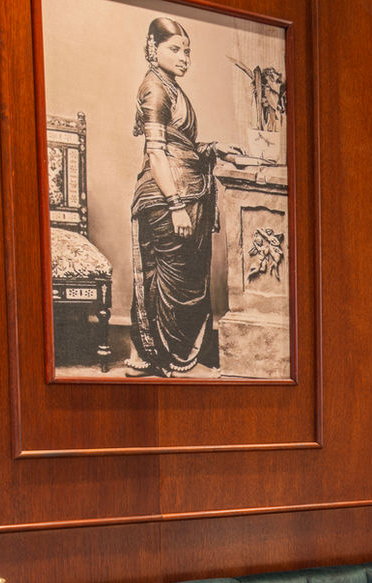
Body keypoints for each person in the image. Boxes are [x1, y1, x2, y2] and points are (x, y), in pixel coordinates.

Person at [126, 18, 243, 378]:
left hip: (176, 190)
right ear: (153, 48)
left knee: (158, 276)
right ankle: (178, 364)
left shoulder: (169, 86)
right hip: (167, 196)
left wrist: (213, 148)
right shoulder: (156, 90)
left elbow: (181, 145)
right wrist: (176, 204)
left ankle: (141, 358)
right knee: (177, 281)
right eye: (175, 49)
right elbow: (157, 153)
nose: (184, 57)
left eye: (187, 51)